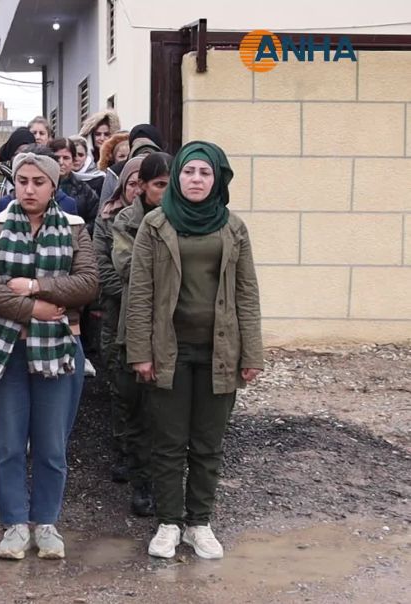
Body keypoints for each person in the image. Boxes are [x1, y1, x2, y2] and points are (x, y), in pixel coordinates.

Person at [125, 141, 263, 560]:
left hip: (220, 350)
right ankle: (169, 522)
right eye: (189, 172)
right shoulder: (155, 225)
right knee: (167, 441)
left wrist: (252, 353)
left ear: (217, 178)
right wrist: (140, 352)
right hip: (169, 349)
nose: (196, 180)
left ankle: (199, 522)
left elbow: (247, 293)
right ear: (178, 176)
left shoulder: (233, 228)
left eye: (205, 173)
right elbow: (141, 293)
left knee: (207, 442)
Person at [0, 151, 98, 561]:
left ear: (52, 186)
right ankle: (13, 524)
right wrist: (34, 310)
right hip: (4, 349)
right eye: (22, 181)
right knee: (8, 443)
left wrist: (31, 286)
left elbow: (88, 284)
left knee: (51, 445)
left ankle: (46, 523)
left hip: (59, 349)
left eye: (37, 182)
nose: (28, 188)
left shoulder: (76, 229)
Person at [110, 152, 172, 517]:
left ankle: (165, 486)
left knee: (166, 416)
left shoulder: (183, 218)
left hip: (172, 330)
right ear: (144, 187)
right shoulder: (126, 220)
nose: (165, 192)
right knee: (135, 412)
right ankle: (141, 483)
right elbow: (127, 268)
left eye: (169, 184)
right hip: (132, 328)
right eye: (159, 185)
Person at [91, 155, 143, 483]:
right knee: (119, 384)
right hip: (116, 311)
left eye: (143, 182)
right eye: (131, 183)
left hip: (149, 316)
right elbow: (101, 266)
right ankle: (124, 450)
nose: (137, 189)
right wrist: (137, 298)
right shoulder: (108, 218)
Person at [0, 127, 35, 221]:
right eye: (17, 154)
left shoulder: (39, 178)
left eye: (26, 154)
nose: (22, 159)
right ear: (10, 154)